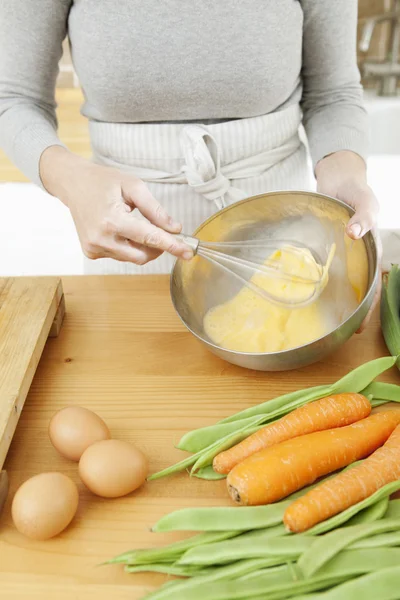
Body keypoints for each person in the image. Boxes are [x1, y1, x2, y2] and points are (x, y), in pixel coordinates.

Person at [0, 1, 380, 326]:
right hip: (128, 245)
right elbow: (13, 98)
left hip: (281, 250)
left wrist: (345, 174)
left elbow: (332, 92)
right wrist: (72, 180)